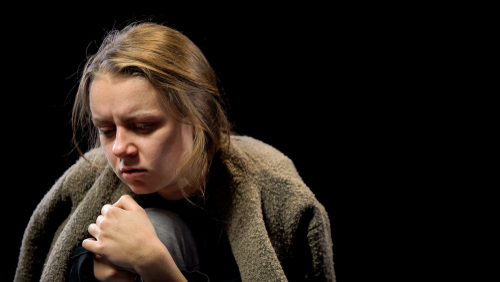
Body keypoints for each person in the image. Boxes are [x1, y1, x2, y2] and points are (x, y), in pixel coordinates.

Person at [14, 22, 335, 282]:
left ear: (198, 118)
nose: (118, 149)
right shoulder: (89, 177)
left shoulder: (268, 184)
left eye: (143, 126)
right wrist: (93, 267)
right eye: (106, 130)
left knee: (160, 230)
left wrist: (154, 264)